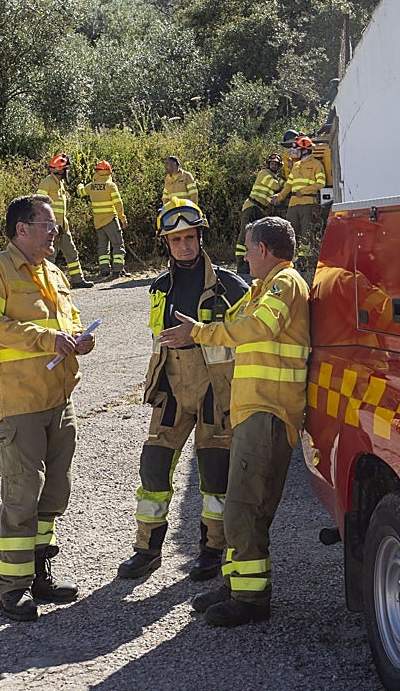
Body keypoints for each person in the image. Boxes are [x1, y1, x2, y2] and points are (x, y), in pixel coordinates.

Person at [158, 216, 310, 627]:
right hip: (254, 411)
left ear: (262, 249)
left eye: (247, 248)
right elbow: (236, 328)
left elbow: (256, 328)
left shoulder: (284, 283)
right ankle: (235, 583)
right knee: (238, 504)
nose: (244, 257)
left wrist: (201, 333)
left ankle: (250, 598)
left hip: (268, 413)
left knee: (245, 506)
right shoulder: (264, 287)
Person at [0, 194, 97, 622]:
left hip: (59, 399)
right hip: (19, 402)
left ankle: (40, 574)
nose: (55, 231)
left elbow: (69, 320)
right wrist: (46, 340)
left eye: (54, 225)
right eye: (47, 225)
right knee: (22, 495)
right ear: (22, 229)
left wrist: (81, 337)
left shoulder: (54, 272)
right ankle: (12, 586)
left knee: (53, 492)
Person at [118, 199, 250, 582]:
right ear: (166, 243)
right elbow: (159, 343)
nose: (184, 246)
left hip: (216, 395)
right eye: (175, 240)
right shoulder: (160, 288)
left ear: (201, 237)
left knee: (215, 477)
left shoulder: (231, 287)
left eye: (190, 237)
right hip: (173, 392)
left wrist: (197, 336)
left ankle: (211, 551)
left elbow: (247, 339)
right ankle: (146, 550)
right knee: (153, 468)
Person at [35, 154, 93, 288]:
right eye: (66, 169)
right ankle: (48, 284)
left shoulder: (59, 183)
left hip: (62, 226)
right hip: (51, 227)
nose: (68, 171)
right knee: (49, 256)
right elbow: (39, 204)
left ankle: (78, 280)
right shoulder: (47, 182)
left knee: (71, 253)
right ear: (60, 170)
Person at [272, 135, 326, 268]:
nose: (296, 152)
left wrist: (304, 191)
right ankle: (291, 260)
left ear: (305, 150)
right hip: (293, 205)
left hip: (308, 203)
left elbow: (321, 183)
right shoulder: (296, 166)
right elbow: (288, 185)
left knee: (307, 233)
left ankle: (306, 262)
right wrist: (279, 197)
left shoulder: (316, 165)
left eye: (298, 150)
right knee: (290, 232)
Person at [235, 153, 285, 276]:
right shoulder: (264, 173)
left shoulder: (274, 176)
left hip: (259, 209)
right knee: (244, 235)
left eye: (276, 164)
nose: (273, 166)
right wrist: (286, 183)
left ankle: (251, 263)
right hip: (251, 206)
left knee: (256, 237)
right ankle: (241, 265)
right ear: (268, 164)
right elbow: (276, 185)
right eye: (272, 164)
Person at [78, 160, 127, 279]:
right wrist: (123, 219)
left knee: (103, 247)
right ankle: (118, 270)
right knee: (118, 244)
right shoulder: (110, 186)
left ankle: (104, 270)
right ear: (108, 171)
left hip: (98, 222)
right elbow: (118, 203)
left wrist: (79, 185)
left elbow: (81, 192)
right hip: (111, 220)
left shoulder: (91, 186)